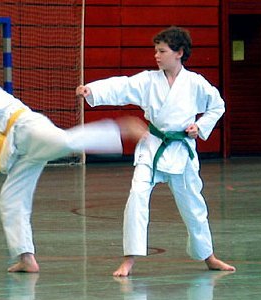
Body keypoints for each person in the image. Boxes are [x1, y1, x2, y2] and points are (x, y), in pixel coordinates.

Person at [0, 63, 147, 273]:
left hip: (29, 128)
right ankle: (26, 257)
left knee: (66, 142)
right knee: (11, 198)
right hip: (21, 148)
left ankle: (121, 129)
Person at [76, 26, 236, 276]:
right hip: (152, 148)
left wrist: (200, 127)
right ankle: (129, 259)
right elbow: (123, 87)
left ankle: (209, 256)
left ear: (179, 53)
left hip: (182, 151)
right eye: (156, 51)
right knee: (137, 197)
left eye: (162, 51)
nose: (157, 56)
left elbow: (217, 106)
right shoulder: (149, 80)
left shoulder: (195, 83)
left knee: (194, 204)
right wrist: (93, 90)